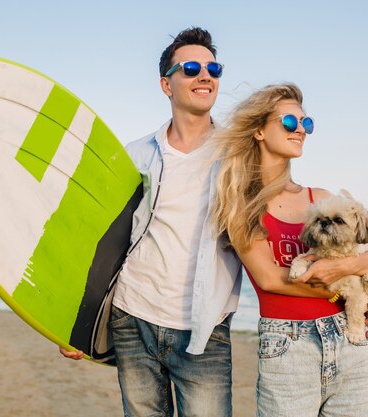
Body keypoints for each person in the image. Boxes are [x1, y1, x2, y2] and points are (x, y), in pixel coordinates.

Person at [61, 27, 242, 417]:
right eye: (191, 67)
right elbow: (101, 239)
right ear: (166, 84)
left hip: (205, 329)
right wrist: (74, 323)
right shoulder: (136, 155)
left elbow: (278, 225)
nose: (205, 76)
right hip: (133, 317)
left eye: (214, 68)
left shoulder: (239, 155)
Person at [212, 83, 368, 417]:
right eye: (289, 122)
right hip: (288, 347)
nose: (301, 129)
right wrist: (350, 293)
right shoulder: (241, 204)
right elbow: (271, 280)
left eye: (306, 123)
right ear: (259, 130)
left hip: (352, 339)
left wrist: (347, 276)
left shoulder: (321, 198)